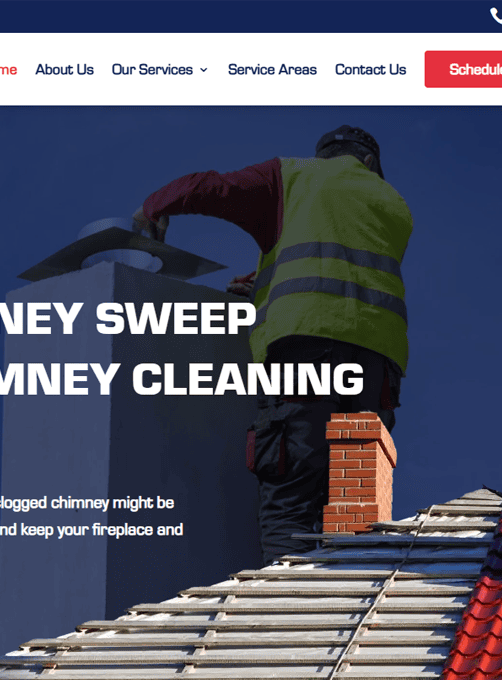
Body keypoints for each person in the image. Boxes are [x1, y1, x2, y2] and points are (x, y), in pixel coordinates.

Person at [133, 126, 413, 565]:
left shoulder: (295, 177)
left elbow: (211, 188)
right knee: (353, 501)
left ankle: (285, 618)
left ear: (323, 156)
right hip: (377, 368)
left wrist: (153, 207)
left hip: (304, 351)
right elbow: (343, 270)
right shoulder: (394, 205)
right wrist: (265, 282)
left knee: (291, 495)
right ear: (372, 164)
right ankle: (352, 608)